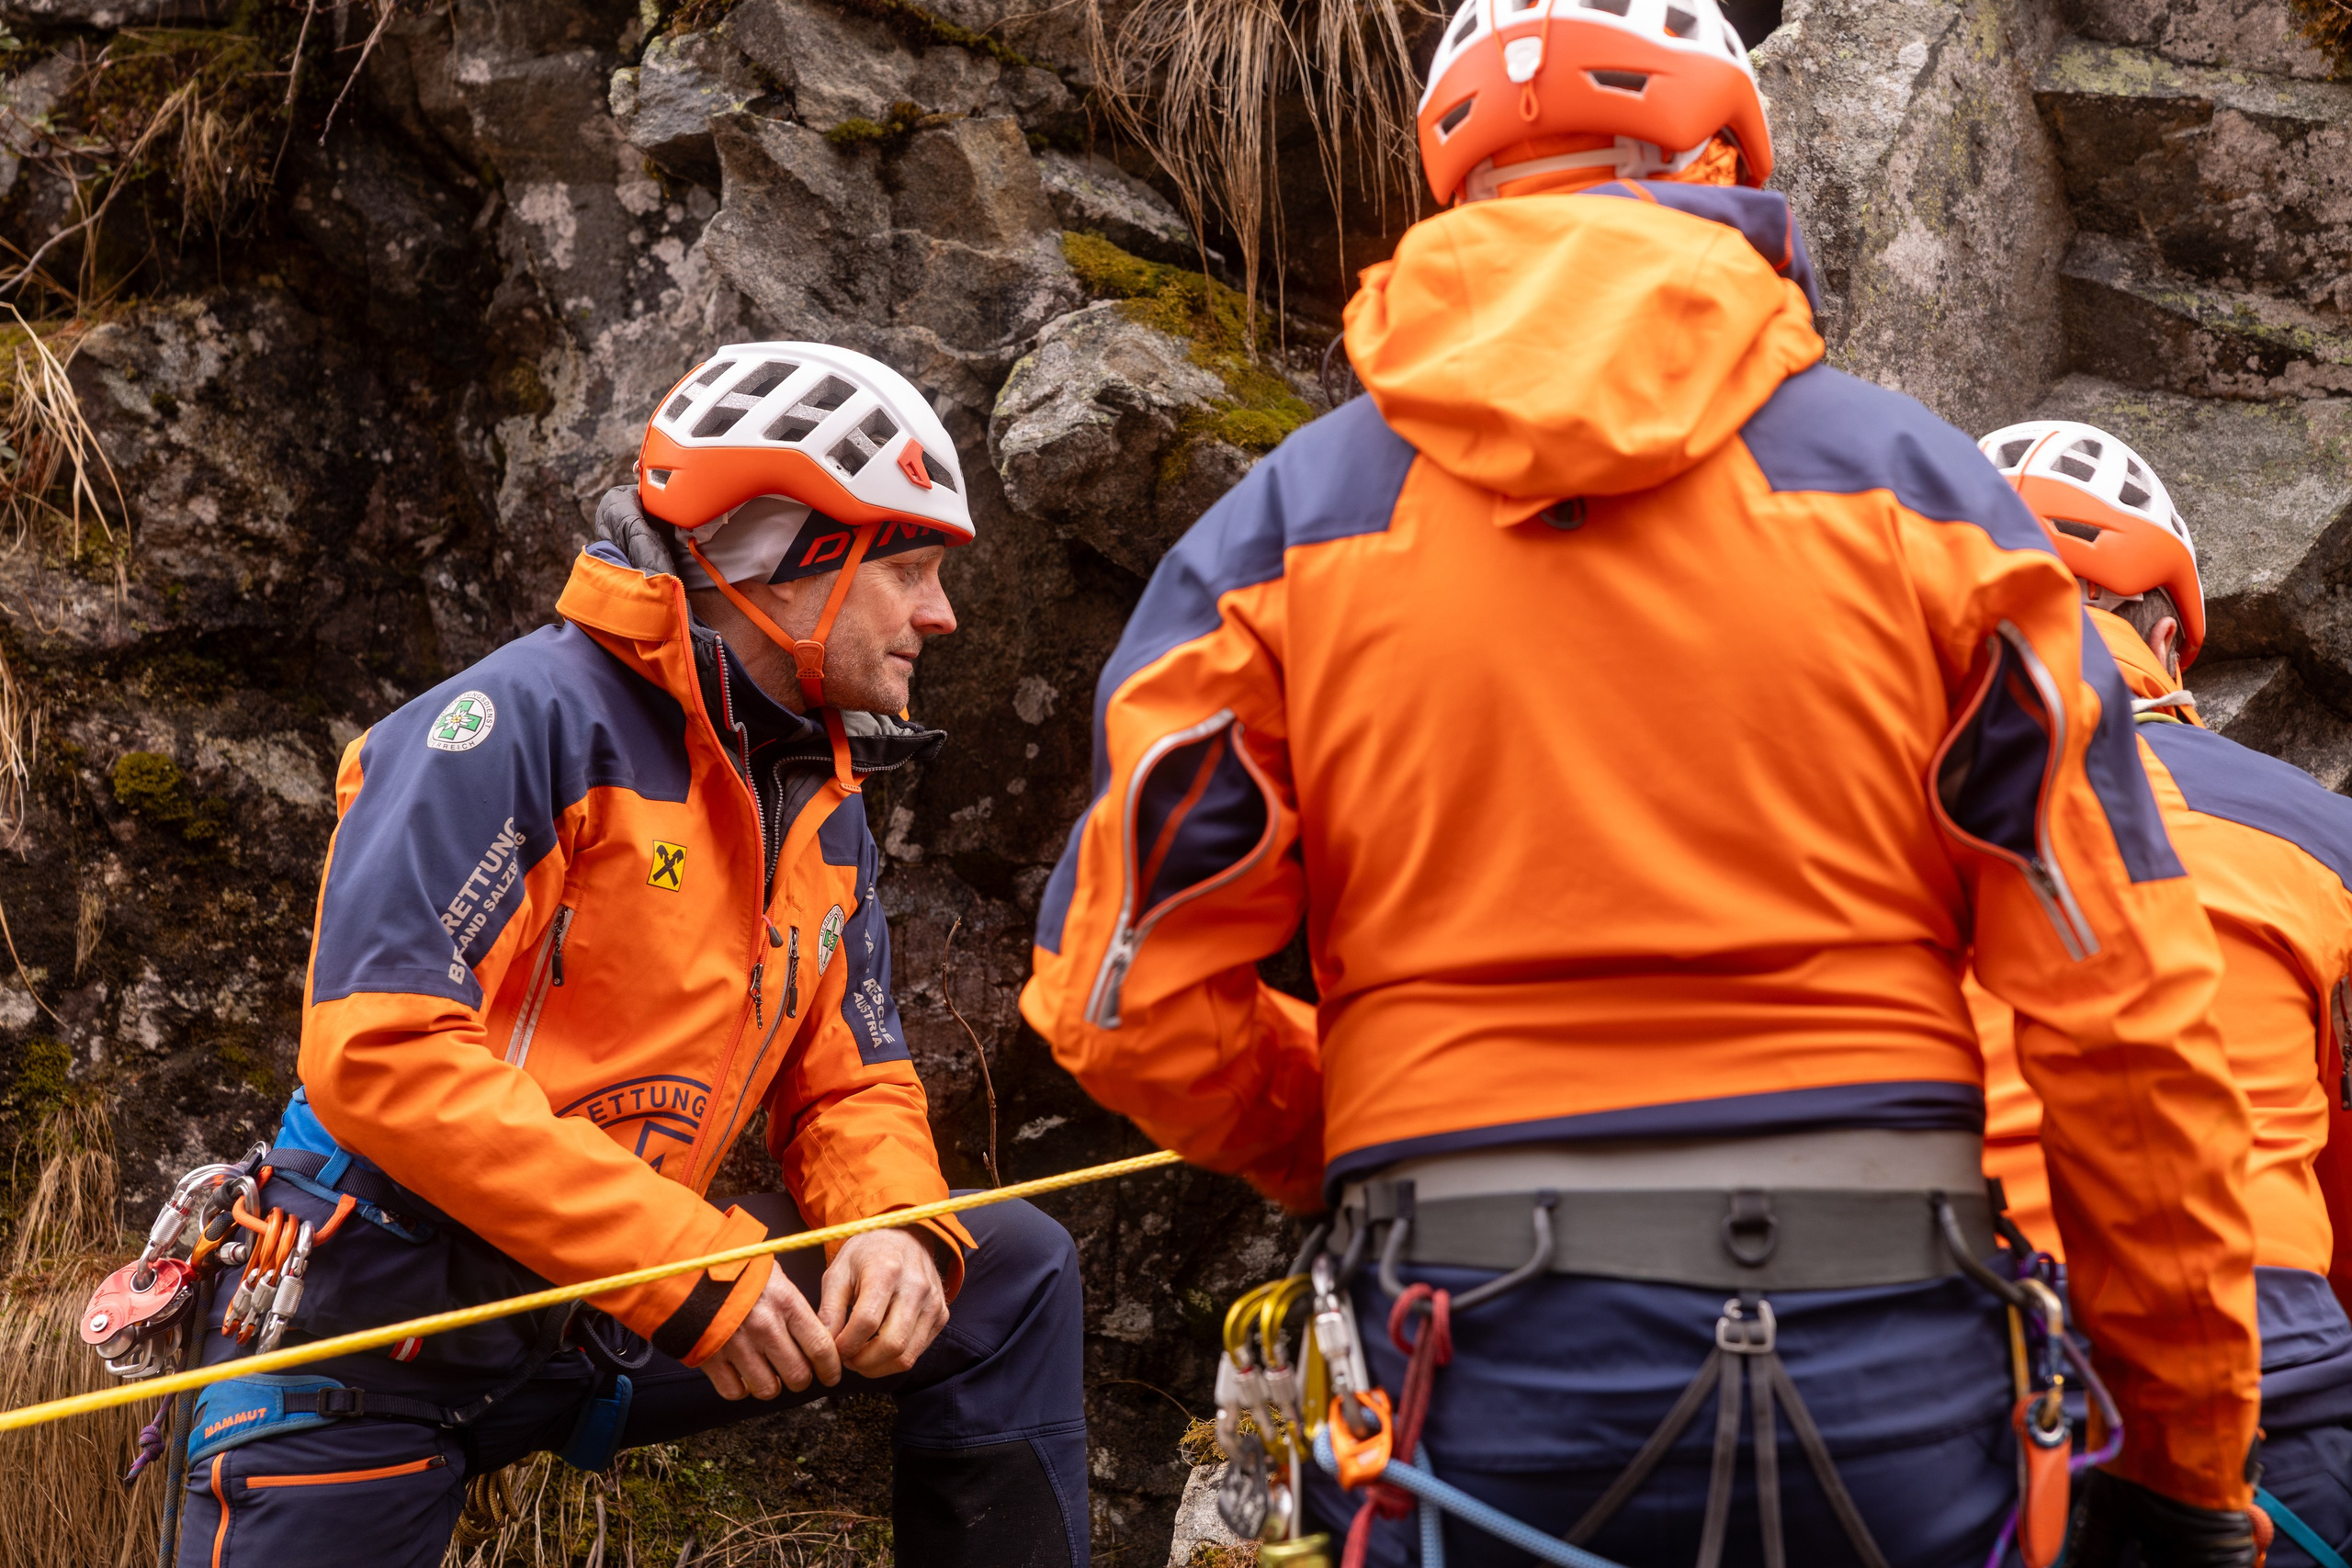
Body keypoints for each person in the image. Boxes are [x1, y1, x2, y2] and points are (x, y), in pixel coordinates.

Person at [1020, 0, 2264, 1562]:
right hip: (1890, 1362)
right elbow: (2125, 1011)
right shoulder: (1929, 500)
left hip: (1465, 1359)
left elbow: (1119, 993)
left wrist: (1357, 1125)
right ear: (1730, 161)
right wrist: (2188, 1456)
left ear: (1451, 186)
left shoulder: (1280, 532)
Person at [169, 344, 1088, 1568]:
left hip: (599, 1309)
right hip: (365, 1339)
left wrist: (892, 1223)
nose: (941, 613)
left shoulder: (819, 788)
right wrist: (686, 1266)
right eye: (908, 568)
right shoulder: (506, 729)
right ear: (782, 554)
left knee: (1003, 1264)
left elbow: (850, 1076)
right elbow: (380, 1054)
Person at [1971, 419, 2352, 1567]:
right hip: (2263, 1354)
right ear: (2168, 642)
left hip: (1934, 1347)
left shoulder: (1854, 802)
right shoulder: (2319, 834)